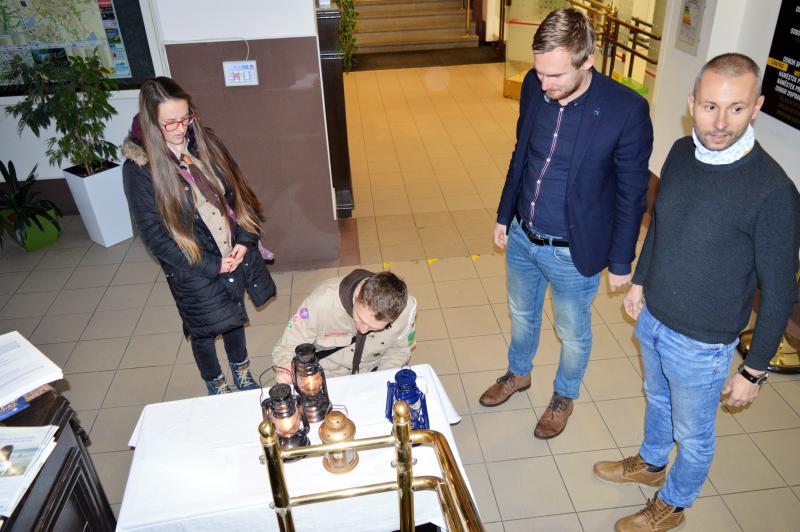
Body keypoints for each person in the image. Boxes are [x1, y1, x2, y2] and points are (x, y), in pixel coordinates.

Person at [593, 53, 800, 532]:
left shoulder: (773, 192)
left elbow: (779, 292)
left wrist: (754, 370)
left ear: (756, 107)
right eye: (710, 106)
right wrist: (640, 281)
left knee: (694, 432)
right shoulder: (681, 153)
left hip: (703, 343)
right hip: (654, 317)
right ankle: (651, 462)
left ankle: (674, 502)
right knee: (657, 398)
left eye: (736, 108)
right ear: (692, 104)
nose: (720, 122)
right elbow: (662, 225)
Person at [479, 7, 653, 439]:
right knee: (522, 314)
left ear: (586, 59)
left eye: (555, 75)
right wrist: (504, 214)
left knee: (572, 332)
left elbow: (631, 194)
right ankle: (519, 373)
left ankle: (564, 395)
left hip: (573, 251)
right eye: (540, 73)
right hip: (523, 235)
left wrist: (621, 261)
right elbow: (521, 154)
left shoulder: (625, 110)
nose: (544, 84)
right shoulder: (533, 87)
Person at [122, 77, 276, 396]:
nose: (181, 128)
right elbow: (155, 236)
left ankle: (241, 370)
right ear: (151, 122)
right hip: (192, 265)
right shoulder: (140, 168)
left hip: (229, 250)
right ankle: (215, 382)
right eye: (169, 123)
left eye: (186, 118)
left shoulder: (205, 141)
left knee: (233, 316)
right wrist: (211, 265)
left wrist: (243, 242)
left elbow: (238, 195)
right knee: (203, 328)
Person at [272, 269, 416, 380]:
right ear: (358, 292)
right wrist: (286, 367)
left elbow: (399, 351)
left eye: (375, 328)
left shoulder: (406, 311)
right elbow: (287, 346)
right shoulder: (321, 302)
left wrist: (382, 380)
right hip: (327, 376)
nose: (363, 330)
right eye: (360, 318)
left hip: (372, 371)